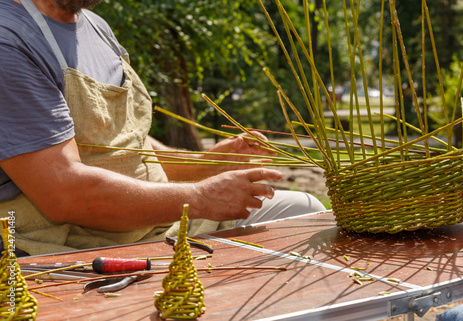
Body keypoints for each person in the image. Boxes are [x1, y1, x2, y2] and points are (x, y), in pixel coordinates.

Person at [0, 0, 326, 255]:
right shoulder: (9, 40)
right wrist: (198, 197)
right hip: (74, 247)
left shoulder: (96, 27)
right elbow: (65, 193)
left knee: (306, 212)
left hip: (160, 222)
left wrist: (207, 163)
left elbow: (127, 144)